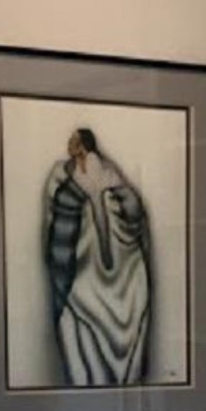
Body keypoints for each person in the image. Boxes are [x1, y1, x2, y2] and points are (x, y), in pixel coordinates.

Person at [43, 126, 152, 387]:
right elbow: (58, 221)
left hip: (120, 272)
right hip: (78, 275)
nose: (69, 144)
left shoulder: (106, 170)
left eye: (74, 141)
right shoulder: (61, 174)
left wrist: (113, 202)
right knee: (77, 337)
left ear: (83, 145)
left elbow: (132, 211)